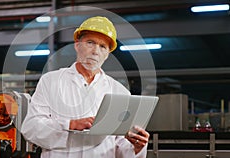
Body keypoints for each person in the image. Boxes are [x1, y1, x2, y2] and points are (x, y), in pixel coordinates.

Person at [21, 16, 150, 158]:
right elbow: (31, 128)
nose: (95, 51)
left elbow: (121, 147)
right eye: (90, 42)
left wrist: (137, 148)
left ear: (107, 54)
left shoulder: (119, 91)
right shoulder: (51, 81)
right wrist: (70, 124)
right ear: (77, 45)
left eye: (103, 47)